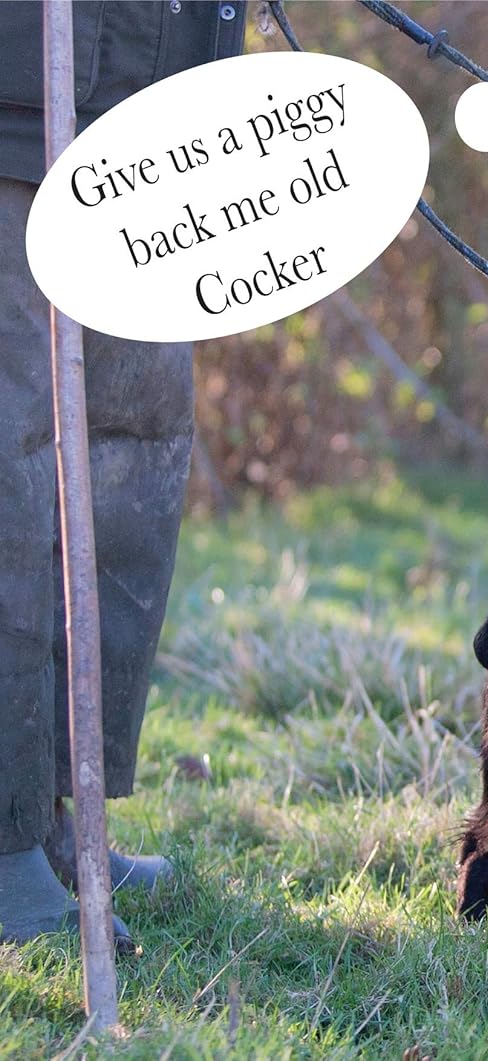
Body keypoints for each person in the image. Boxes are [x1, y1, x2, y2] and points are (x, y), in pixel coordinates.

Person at [0, 0, 246, 947]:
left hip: (160, 113)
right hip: (21, 100)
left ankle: (66, 808)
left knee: (133, 447)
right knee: (13, 466)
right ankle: (3, 834)